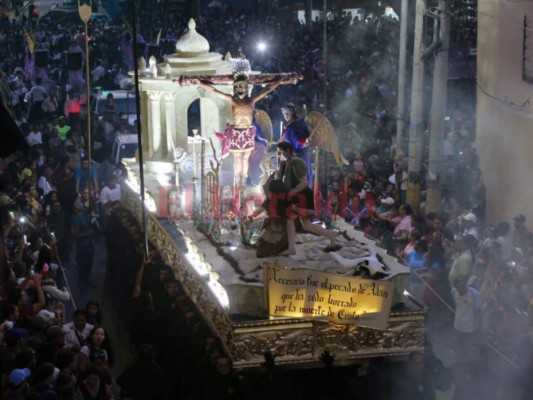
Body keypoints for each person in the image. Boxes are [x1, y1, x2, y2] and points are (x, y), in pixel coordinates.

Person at [182, 73, 297, 187]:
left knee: (245, 159)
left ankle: (243, 181)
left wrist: (280, 81)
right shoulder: (232, 100)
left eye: (242, 86)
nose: (240, 88)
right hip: (236, 132)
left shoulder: (251, 100)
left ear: (247, 88)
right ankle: (238, 181)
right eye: (238, 86)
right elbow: (214, 91)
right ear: (234, 88)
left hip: (247, 132)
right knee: (237, 159)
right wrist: (200, 83)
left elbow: (267, 89)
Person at [276, 141, 339, 255]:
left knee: (292, 220)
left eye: (281, 152)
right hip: (294, 195)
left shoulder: (297, 163)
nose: (279, 154)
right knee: (306, 224)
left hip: (302, 195)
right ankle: (330, 235)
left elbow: (304, 182)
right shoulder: (285, 163)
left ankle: (291, 248)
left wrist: (290, 193)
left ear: (288, 151)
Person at [280, 103, 311, 184]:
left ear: (293, 113)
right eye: (284, 114)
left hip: (298, 156)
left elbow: (299, 140)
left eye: (287, 113)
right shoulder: (289, 126)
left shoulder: (295, 126)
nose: (285, 116)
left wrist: (302, 141)